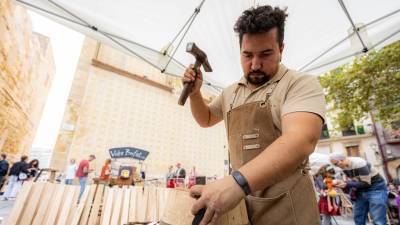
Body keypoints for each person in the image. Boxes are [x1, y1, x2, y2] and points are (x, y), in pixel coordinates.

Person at [182, 5, 325, 225]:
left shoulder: (299, 84)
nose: (255, 64)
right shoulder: (231, 92)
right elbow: (207, 119)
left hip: (288, 210)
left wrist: (236, 182)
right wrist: (195, 95)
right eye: (247, 55)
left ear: (281, 48)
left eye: (265, 54)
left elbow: (300, 140)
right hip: (239, 208)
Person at [330, 152, 387, 225]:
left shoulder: (359, 163)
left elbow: (366, 183)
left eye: (335, 164)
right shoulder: (343, 168)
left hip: (375, 187)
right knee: (358, 217)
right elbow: (355, 180)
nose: (336, 166)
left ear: (342, 160)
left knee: (378, 219)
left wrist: (347, 184)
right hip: (361, 188)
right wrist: (343, 183)